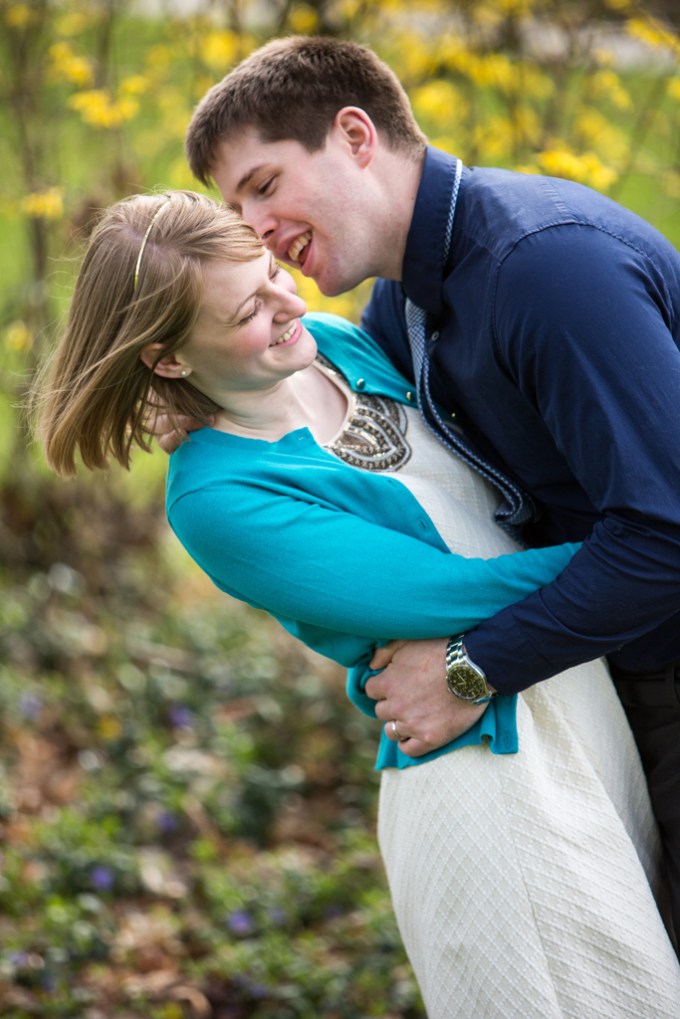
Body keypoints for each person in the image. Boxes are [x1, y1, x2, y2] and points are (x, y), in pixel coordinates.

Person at [33, 190, 680, 1017]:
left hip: (576, 698)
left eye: (271, 271)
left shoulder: (336, 346)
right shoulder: (221, 497)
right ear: (166, 358)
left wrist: (644, 542)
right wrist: (639, 545)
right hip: (489, 776)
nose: (288, 301)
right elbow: (457, 589)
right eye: (247, 310)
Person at [180, 34, 680, 944]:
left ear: (356, 135)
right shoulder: (398, 307)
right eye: (231, 205)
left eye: (262, 185)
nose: (251, 228)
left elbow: (667, 536)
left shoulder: (547, 271)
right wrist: (187, 394)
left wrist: (470, 665)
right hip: (613, 685)